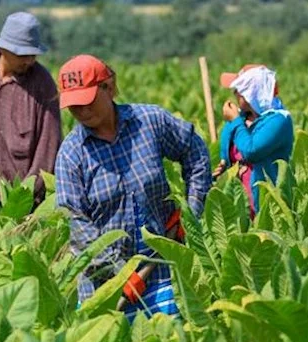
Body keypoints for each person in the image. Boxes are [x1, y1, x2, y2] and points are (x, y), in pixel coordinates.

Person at [54, 55, 212, 321]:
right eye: (73, 105)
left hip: (163, 269)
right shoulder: (71, 154)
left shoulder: (150, 121)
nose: (81, 111)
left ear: (110, 87)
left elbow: (195, 152)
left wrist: (191, 212)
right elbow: (79, 228)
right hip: (107, 289)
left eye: (87, 100)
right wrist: (120, 275)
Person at [0, 11, 61, 206]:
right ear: (3, 49)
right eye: (23, 55)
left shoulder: (42, 82)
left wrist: (26, 195)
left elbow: (49, 145)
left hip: (31, 196)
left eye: (33, 55)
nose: (29, 61)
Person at [213, 64, 294, 219]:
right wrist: (224, 165)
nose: (234, 93)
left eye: (238, 89)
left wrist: (236, 121)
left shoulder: (279, 120)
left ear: (251, 92)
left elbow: (252, 151)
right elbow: (230, 150)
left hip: (266, 207)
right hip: (239, 205)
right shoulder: (241, 119)